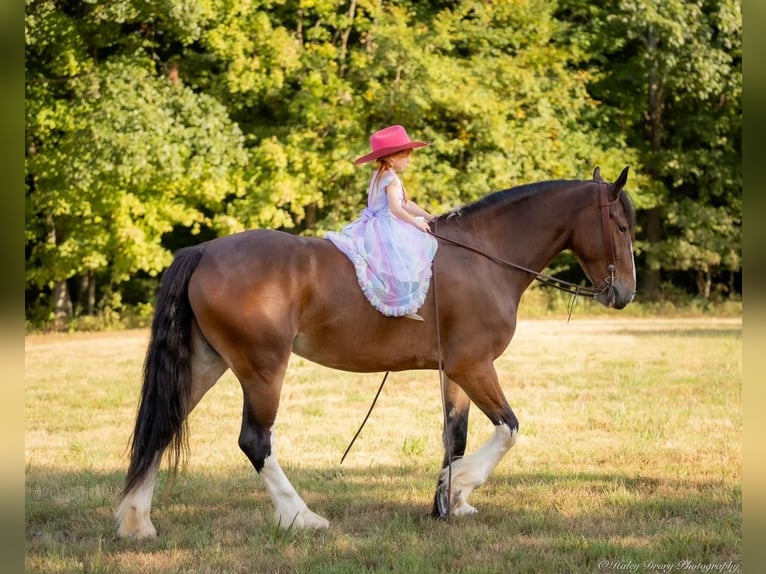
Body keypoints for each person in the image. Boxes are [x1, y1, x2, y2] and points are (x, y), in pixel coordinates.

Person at [326, 125, 438, 321]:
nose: (409, 162)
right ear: (393, 157)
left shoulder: (380, 175)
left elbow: (406, 203)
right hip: (386, 225)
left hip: (374, 223)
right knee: (401, 262)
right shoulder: (391, 179)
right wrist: (417, 223)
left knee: (391, 262)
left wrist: (429, 216)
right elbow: (396, 209)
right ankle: (400, 303)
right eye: (407, 156)